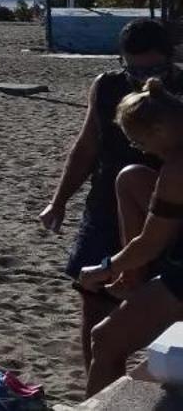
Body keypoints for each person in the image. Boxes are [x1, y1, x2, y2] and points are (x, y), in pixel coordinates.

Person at [46, 19, 177, 378]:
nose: (142, 75)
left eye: (153, 68)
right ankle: (101, 387)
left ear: (170, 58)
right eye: (133, 67)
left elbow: (151, 240)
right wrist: (59, 201)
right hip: (105, 207)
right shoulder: (106, 87)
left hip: (167, 213)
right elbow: (87, 147)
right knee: (95, 311)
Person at [77, 76, 183, 395]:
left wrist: (104, 267)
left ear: (159, 131)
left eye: (138, 142)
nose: (143, 151)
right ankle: (132, 280)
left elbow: (149, 244)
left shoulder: (178, 168)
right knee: (132, 178)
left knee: (105, 341)